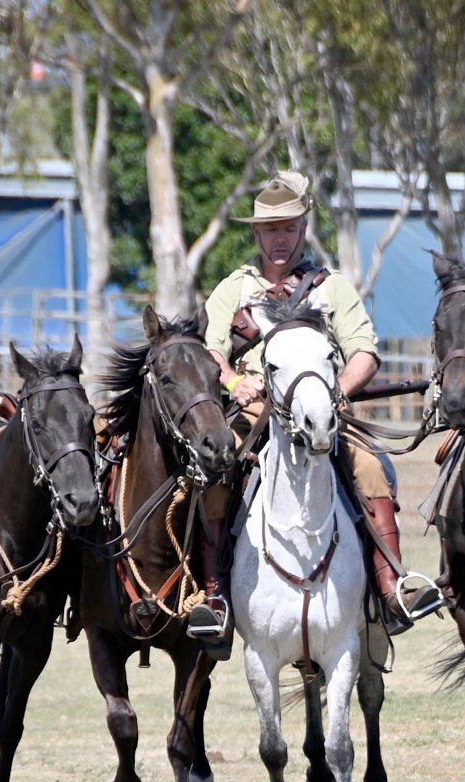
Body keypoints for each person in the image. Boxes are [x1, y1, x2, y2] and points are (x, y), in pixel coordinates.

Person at [185, 170, 442, 648]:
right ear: (256, 233)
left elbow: (364, 350)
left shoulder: (331, 287)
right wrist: (235, 381)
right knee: (214, 476)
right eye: (270, 229)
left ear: (302, 229)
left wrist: (339, 390)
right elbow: (208, 351)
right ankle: (217, 598)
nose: (279, 239)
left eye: (288, 228)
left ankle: (392, 587)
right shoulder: (233, 289)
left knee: (370, 467)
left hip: (319, 413)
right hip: (252, 415)